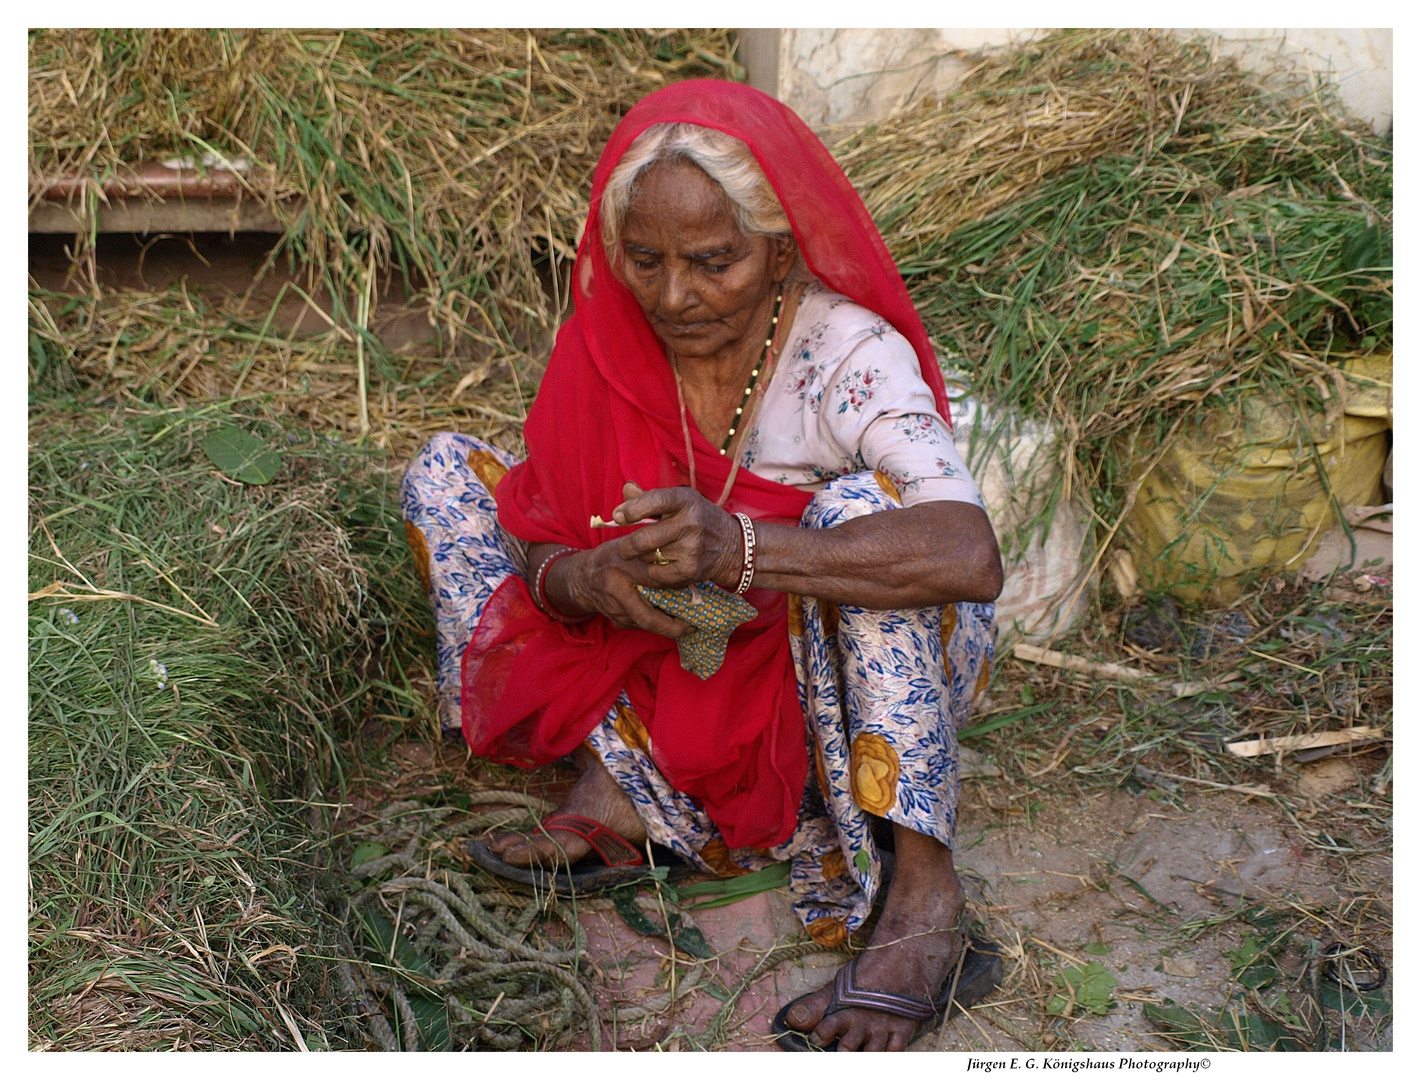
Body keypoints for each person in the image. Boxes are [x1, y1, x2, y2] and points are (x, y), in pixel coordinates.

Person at [401, 80, 1004, 1052]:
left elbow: (966, 555)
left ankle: (921, 896)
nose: (673, 295)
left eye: (712, 261)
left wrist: (747, 548)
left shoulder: (842, 354)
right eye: (644, 260)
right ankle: (626, 789)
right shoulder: (610, 337)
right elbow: (544, 523)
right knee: (447, 473)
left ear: (776, 245)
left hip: (838, 694)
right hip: (681, 666)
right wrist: (583, 578)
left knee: (862, 516)